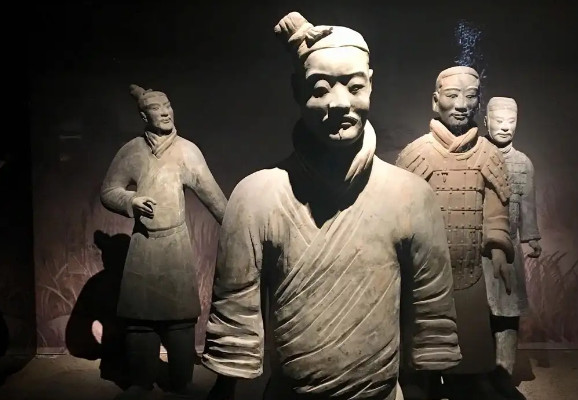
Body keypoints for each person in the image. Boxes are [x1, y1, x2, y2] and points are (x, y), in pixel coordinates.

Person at [202, 12, 461, 400]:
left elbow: (431, 315)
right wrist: (225, 386)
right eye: (320, 88)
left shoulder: (411, 196)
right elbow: (235, 320)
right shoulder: (255, 198)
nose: (339, 103)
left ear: (370, 84)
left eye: (354, 86)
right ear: (296, 90)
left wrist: (430, 384)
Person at [100, 84, 227, 399]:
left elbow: (213, 197)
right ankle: (141, 382)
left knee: (180, 319)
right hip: (143, 244)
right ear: (144, 116)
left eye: (168, 106)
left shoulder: (187, 151)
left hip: (175, 244)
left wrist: (236, 226)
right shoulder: (132, 151)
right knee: (139, 319)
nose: (166, 112)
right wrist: (131, 201)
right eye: (157, 109)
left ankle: (181, 381)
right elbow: (109, 191)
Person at [396, 66, 515, 400]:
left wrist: (499, 250)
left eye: (470, 96)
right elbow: (399, 214)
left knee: (470, 356)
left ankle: (468, 380)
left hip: (469, 273)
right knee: (422, 353)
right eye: (452, 95)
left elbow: (495, 211)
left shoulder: (488, 155)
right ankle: (422, 380)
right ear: (436, 102)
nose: (462, 104)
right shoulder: (416, 154)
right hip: (424, 275)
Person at [484, 96, 542, 400]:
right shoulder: (476, 156)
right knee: (479, 312)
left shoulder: (523, 164)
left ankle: (503, 372)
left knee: (508, 313)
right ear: (486, 121)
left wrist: (531, 237)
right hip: (479, 250)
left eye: (511, 121)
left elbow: (528, 205)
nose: (505, 127)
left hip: (510, 251)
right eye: (499, 120)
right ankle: (479, 373)